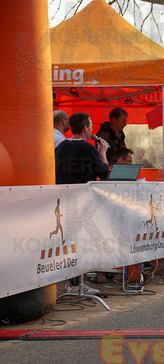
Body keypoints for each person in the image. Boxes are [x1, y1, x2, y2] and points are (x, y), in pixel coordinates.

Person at [55, 112, 110, 295]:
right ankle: (77, 283)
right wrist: (103, 153)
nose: (92, 129)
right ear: (85, 127)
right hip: (84, 203)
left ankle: (73, 283)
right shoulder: (88, 149)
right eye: (91, 125)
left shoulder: (61, 147)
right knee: (81, 243)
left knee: (70, 242)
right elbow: (105, 173)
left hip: (63, 202)